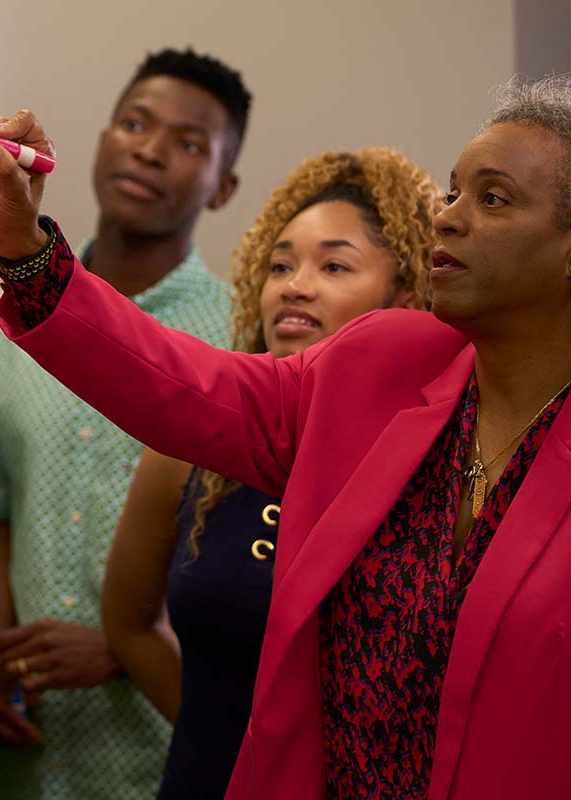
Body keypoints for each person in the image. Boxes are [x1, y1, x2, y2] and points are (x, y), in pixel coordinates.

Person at [0, 75, 571, 799]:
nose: (448, 218)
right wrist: (24, 248)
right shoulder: (378, 364)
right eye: (453, 192)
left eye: (492, 198)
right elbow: (180, 387)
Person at [0, 47, 251, 799]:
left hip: (166, 745)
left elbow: (256, 555)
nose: (148, 150)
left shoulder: (241, 338)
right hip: (27, 750)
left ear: (223, 187)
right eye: (134, 124)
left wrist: (130, 645)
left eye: (188, 144)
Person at [101, 147, 441, 799]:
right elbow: (129, 623)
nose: (294, 285)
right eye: (280, 265)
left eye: (334, 265)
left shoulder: (437, 459)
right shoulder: (190, 450)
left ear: (405, 293)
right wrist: (243, 749)